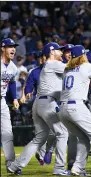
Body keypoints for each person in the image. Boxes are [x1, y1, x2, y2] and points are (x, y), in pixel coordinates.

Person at [8, 42, 70, 176]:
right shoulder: (54, 64)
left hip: (39, 103)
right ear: (52, 52)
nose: (61, 53)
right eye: (59, 50)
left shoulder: (48, 65)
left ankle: (14, 166)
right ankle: (59, 168)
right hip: (48, 103)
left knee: (40, 138)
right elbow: (72, 68)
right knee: (63, 133)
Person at [58, 45, 91, 176]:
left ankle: (77, 167)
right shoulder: (86, 67)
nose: (86, 55)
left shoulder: (67, 69)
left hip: (63, 109)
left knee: (83, 138)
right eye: (85, 54)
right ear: (82, 55)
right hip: (76, 106)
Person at [1, 38, 21, 175]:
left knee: (8, 132)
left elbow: (12, 82)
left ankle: (10, 165)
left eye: (14, 47)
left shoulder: (13, 67)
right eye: (9, 47)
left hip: (2, 100)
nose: (13, 49)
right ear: (3, 48)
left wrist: (14, 98)